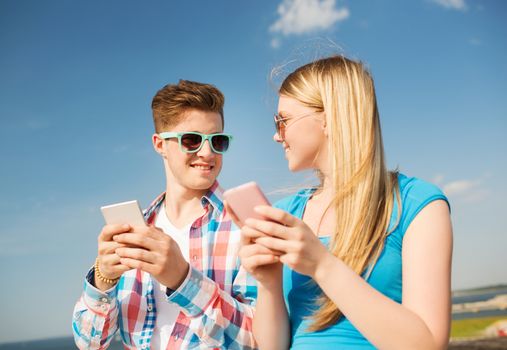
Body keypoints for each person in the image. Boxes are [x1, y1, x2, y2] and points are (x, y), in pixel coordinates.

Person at [235, 56, 453, 349]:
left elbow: (428, 344)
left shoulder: (417, 204)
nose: (277, 136)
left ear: (327, 116)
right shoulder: (286, 213)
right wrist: (268, 282)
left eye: (282, 121)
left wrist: (323, 265)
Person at [72, 80, 258, 349]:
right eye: (192, 140)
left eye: (217, 140)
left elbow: (260, 338)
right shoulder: (135, 230)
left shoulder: (247, 224)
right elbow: (89, 343)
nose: (207, 152)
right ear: (159, 144)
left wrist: (183, 280)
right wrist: (103, 280)